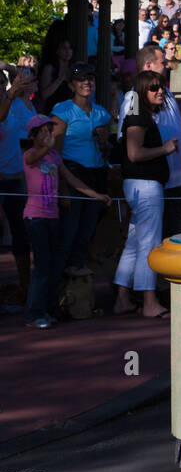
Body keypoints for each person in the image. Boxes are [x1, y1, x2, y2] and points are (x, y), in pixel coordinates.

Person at [22, 116, 110, 329]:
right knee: (42, 267)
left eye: (50, 131)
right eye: (42, 131)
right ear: (33, 135)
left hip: (53, 217)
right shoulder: (30, 154)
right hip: (36, 217)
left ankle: (48, 309)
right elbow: (32, 160)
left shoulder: (54, 157)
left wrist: (97, 195)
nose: (48, 135)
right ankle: (33, 314)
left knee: (52, 266)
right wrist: (47, 147)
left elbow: (73, 180)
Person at [118, 44, 181, 240]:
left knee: (174, 234)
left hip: (178, 179)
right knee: (153, 241)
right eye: (162, 62)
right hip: (156, 181)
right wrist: (163, 150)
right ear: (148, 65)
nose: (167, 66)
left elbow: (178, 125)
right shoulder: (134, 99)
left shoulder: (164, 92)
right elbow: (129, 143)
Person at [113, 71, 176, 318]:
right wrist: (165, 148)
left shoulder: (141, 115)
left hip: (140, 186)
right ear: (142, 91)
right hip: (145, 186)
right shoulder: (138, 116)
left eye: (161, 86)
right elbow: (134, 154)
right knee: (149, 243)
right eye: (153, 88)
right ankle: (149, 302)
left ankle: (122, 297)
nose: (160, 91)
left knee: (134, 243)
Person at [51, 62, 111, 277]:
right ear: (71, 84)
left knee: (86, 232)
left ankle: (75, 293)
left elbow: (106, 151)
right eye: (81, 79)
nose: (87, 82)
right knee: (68, 234)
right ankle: (55, 291)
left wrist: (104, 142)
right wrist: (63, 188)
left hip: (96, 173)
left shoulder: (102, 113)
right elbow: (54, 152)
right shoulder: (62, 110)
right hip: (72, 173)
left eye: (90, 78)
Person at [0, 56, 39, 302]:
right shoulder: (8, 103)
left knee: (21, 233)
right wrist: (11, 93)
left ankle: (26, 288)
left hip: (15, 178)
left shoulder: (12, 104)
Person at [37, 26, 74, 112]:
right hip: (52, 112)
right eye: (64, 48)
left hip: (70, 112)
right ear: (57, 50)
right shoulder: (50, 68)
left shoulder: (72, 68)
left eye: (70, 48)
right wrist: (61, 79)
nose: (68, 51)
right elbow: (44, 94)